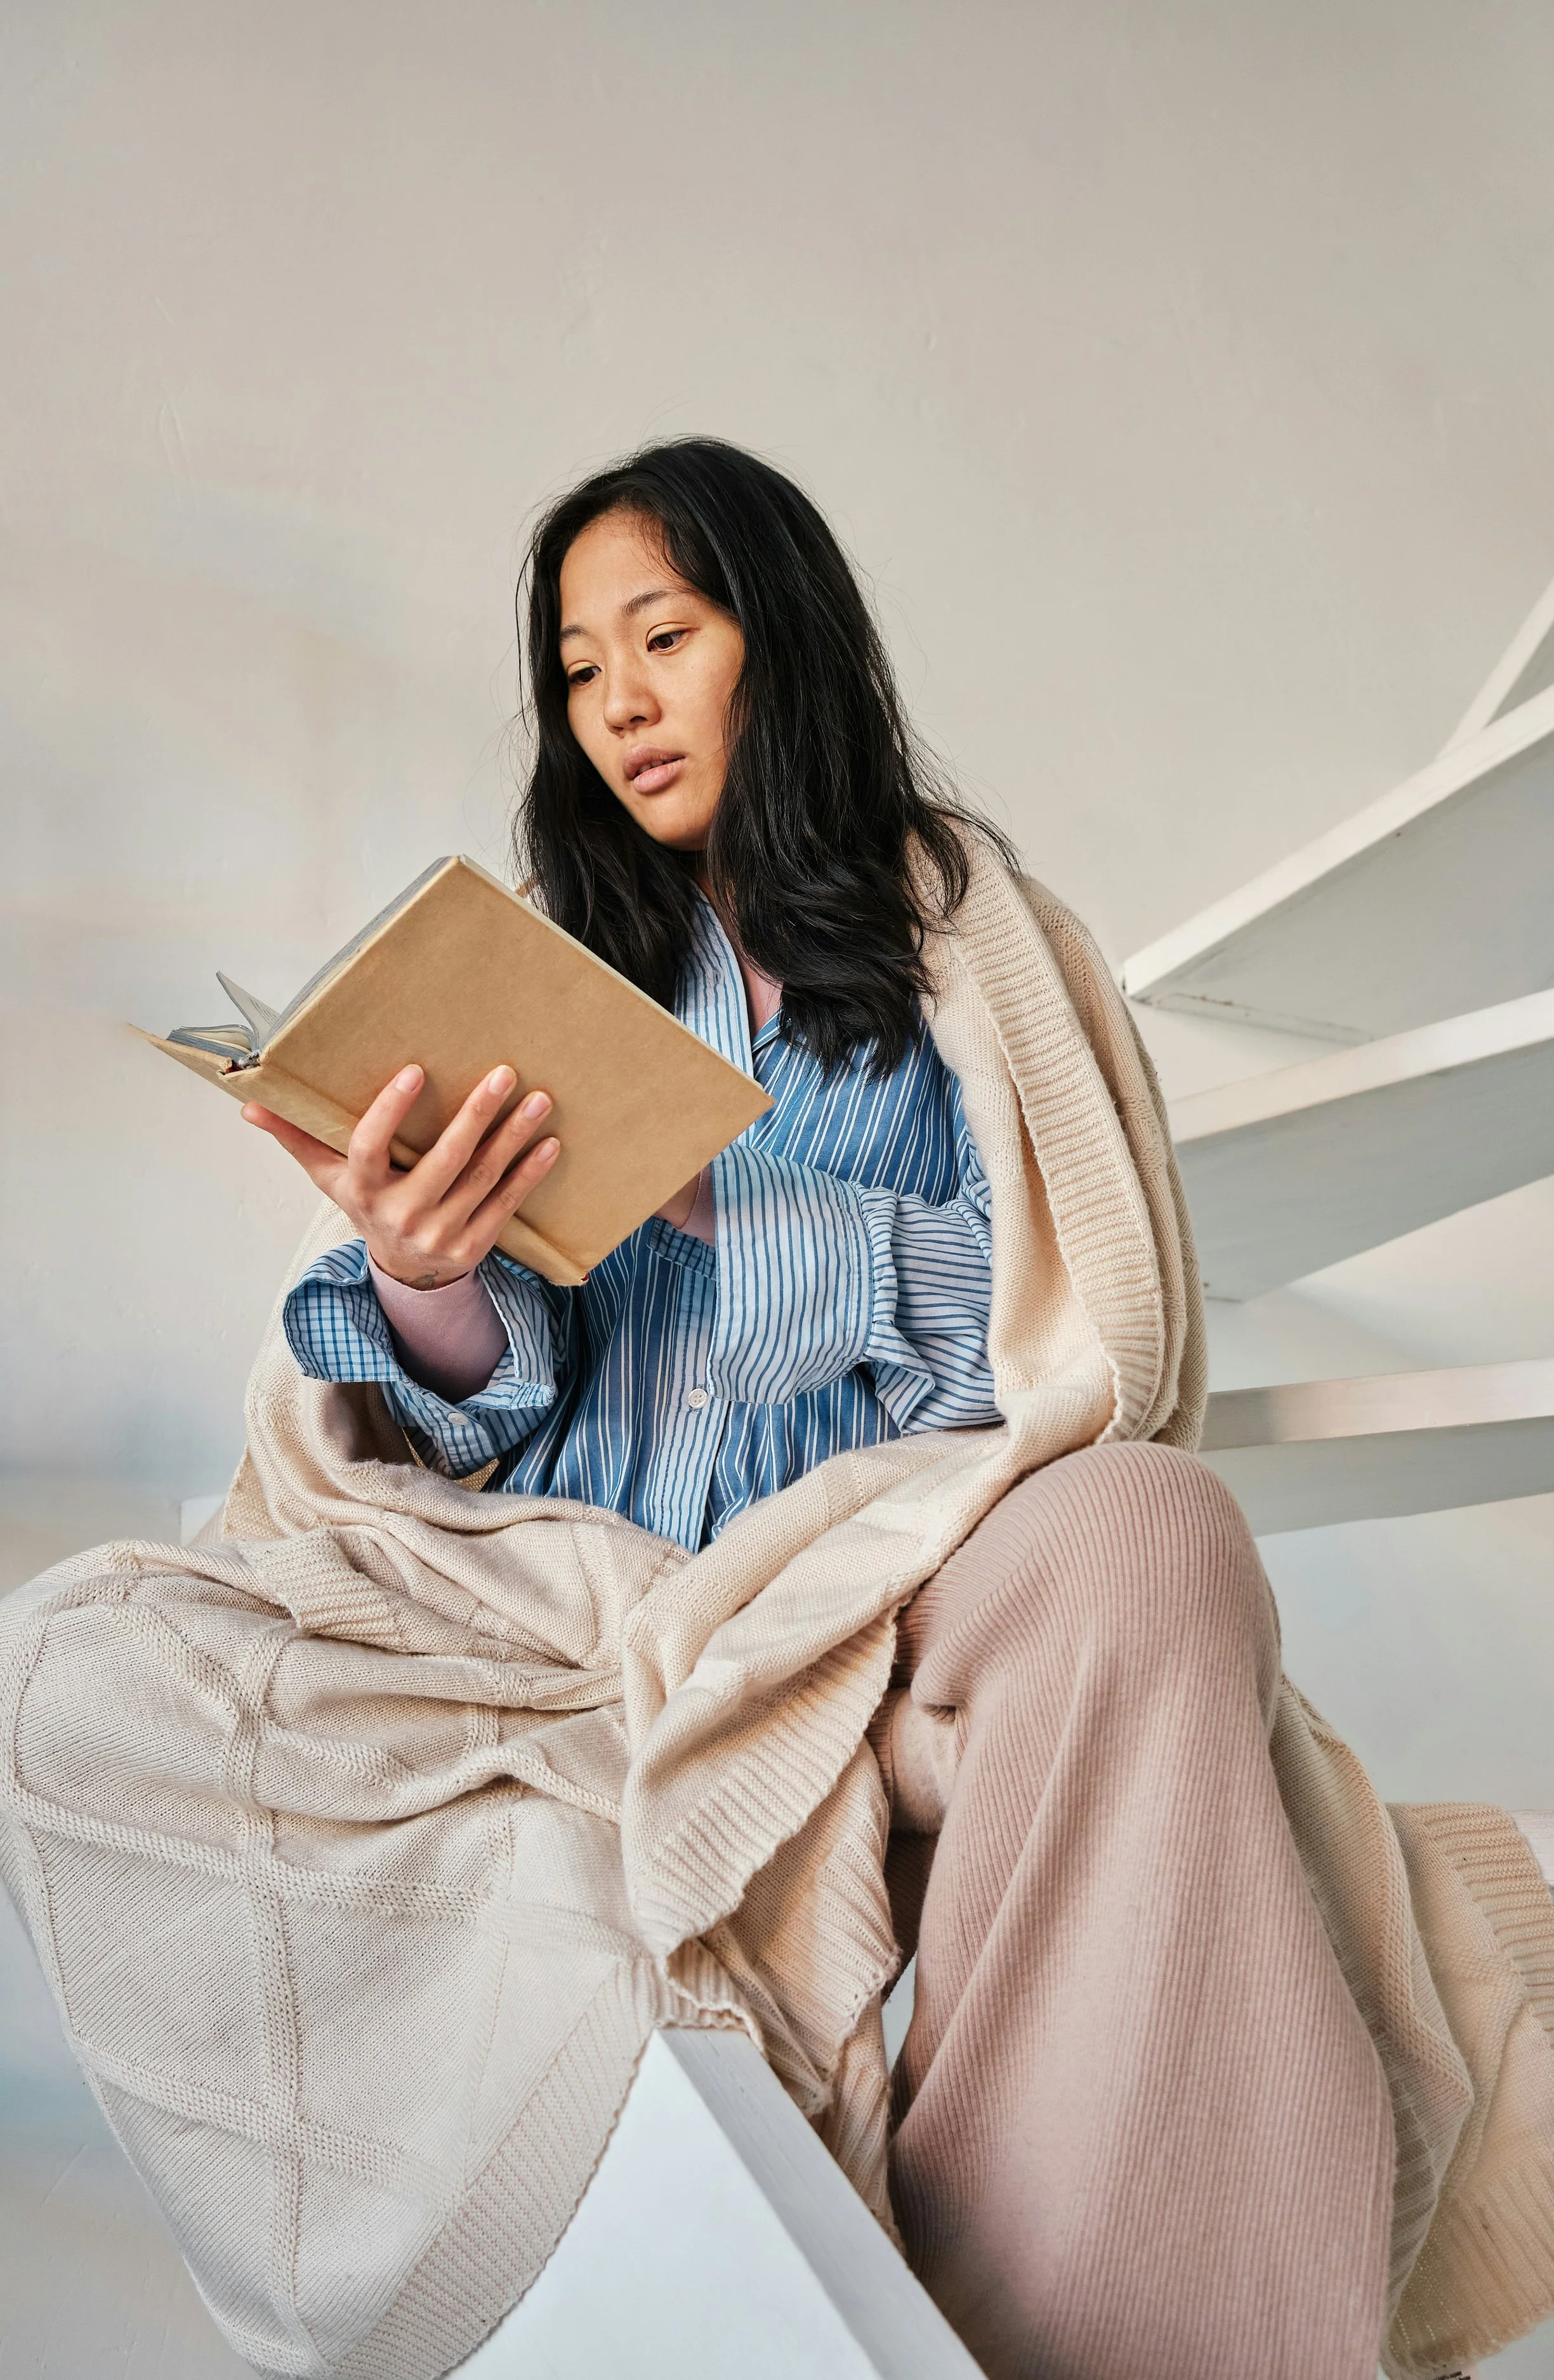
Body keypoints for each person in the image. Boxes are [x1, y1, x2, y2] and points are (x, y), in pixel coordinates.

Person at [235, 439, 1396, 2380]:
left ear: (780, 641)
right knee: (90, 1649)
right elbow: (477, 1430)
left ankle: (1067, 2320)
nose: (615, 698)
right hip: (570, 1606)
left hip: (873, 1598)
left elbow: (1064, 1338)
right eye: (575, 666)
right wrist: (429, 1269)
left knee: (1149, 1534)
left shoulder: (966, 946)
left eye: (661, 636)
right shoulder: (550, 970)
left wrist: (724, 1193)